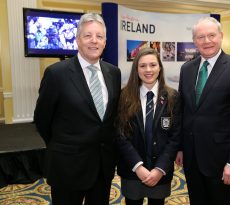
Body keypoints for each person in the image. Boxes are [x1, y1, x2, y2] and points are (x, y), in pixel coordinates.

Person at [34, 13, 121, 205]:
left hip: (102, 167)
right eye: (88, 35)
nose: (94, 41)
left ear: (105, 42)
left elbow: (110, 119)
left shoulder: (113, 72)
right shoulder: (57, 74)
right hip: (68, 167)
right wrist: (63, 146)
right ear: (77, 40)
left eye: (99, 36)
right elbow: (42, 119)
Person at [175, 16, 230, 205]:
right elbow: (183, 112)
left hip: (221, 160)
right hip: (192, 158)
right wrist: (180, 147)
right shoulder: (187, 69)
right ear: (194, 41)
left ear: (221, 36)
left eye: (211, 35)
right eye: (201, 37)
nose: (207, 41)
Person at [117, 47, 181, 205]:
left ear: (160, 67)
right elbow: (120, 135)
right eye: (142, 65)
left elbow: (175, 137)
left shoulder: (173, 97)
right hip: (132, 170)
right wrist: (138, 166)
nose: (148, 70)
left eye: (153, 65)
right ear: (136, 69)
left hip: (161, 171)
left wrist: (160, 169)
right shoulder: (124, 96)